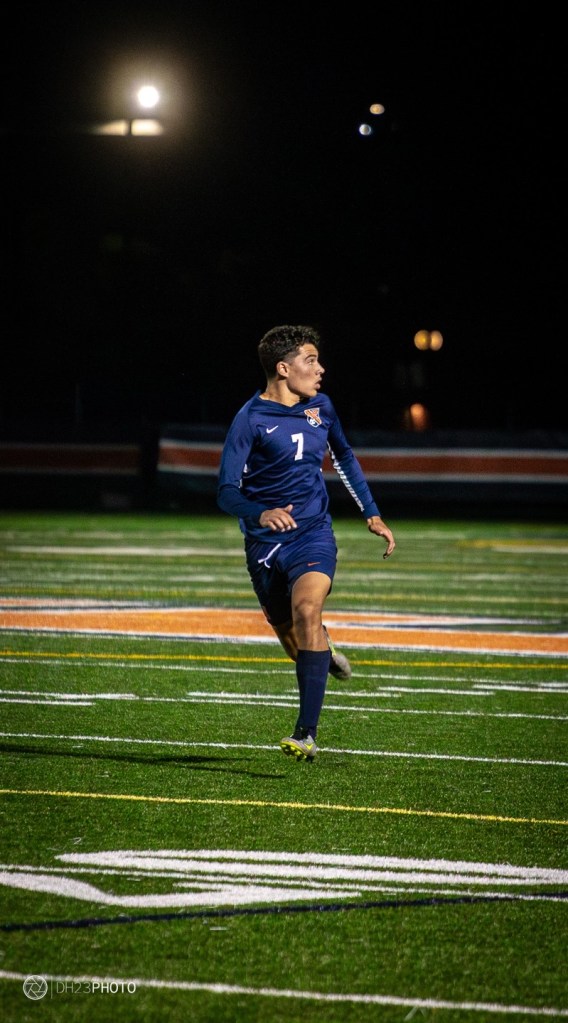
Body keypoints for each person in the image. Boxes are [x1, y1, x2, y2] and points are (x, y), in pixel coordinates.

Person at [217, 324, 395, 762]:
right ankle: (322, 649)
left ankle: (306, 733)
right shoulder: (250, 420)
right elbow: (225, 490)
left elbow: (344, 457)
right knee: (290, 632)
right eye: (310, 360)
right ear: (283, 368)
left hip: (313, 533)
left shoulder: (322, 407)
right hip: (263, 544)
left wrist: (371, 512)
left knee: (308, 610)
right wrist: (258, 512)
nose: (320, 369)